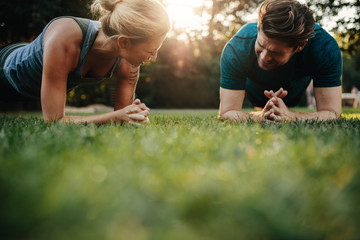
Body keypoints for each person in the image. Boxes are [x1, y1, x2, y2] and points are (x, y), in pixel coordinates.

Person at [0, 0, 171, 124]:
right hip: (6, 73)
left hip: (29, 91)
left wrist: (134, 115)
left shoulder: (129, 60)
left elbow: (123, 117)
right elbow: (53, 122)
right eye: (151, 50)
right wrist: (117, 116)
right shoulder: (65, 37)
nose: (154, 56)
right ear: (124, 42)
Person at [219, 0, 342, 122]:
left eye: (275, 52)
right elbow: (226, 112)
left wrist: (290, 116)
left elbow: (332, 113)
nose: (264, 58)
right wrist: (259, 116)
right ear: (258, 28)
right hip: (255, 94)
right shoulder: (236, 47)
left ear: (300, 46)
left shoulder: (324, 48)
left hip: (294, 93)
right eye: (261, 45)